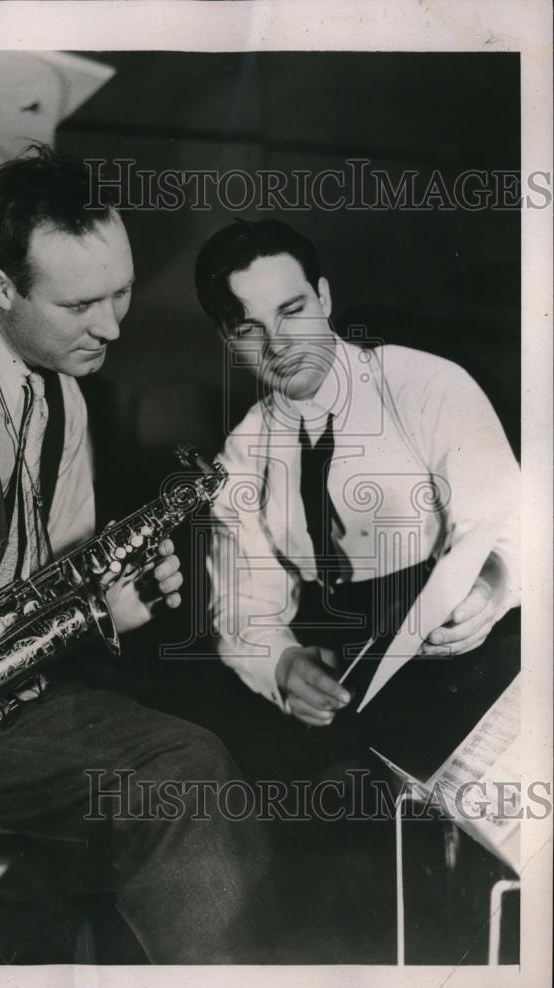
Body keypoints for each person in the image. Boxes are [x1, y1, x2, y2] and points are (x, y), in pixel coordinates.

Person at [0, 147, 277, 964]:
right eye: (80, 304)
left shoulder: (64, 396)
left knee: (197, 751)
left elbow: (41, 595)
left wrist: (112, 610)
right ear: (2, 289)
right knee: (179, 771)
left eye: (123, 292)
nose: (112, 326)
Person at [195, 218, 519, 734]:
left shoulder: (426, 386)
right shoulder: (241, 454)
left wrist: (492, 586)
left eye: (292, 311)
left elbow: (514, 522)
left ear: (323, 297)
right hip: (345, 675)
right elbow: (241, 605)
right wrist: (281, 663)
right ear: (226, 338)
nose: (279, 346)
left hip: (471, 641)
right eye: (249, 330)